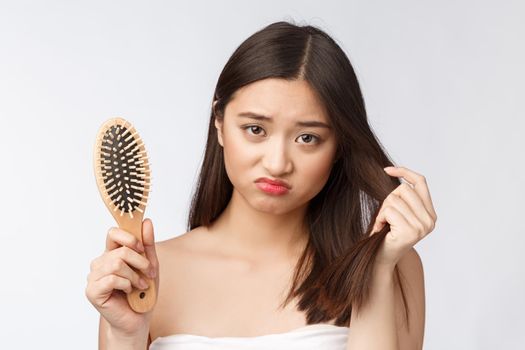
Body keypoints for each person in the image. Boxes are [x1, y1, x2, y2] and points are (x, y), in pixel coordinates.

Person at [86, 20, 437, 350]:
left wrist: (374, 271)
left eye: (307, 138)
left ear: (339, 145)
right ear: (220, 123)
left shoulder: (392, 268)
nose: (277, 163)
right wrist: (124, 335)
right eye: (255, 130)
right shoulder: (144, 277)